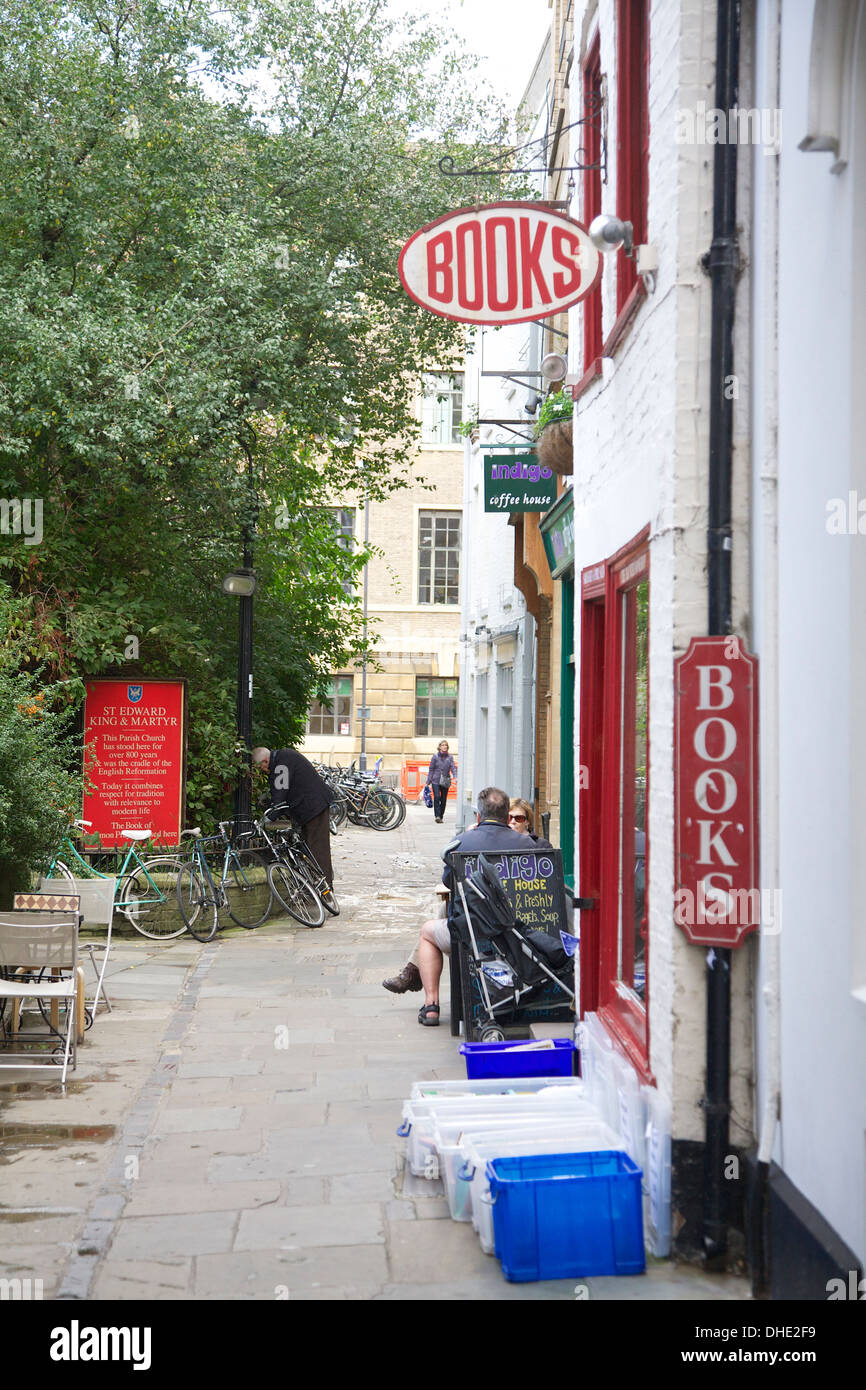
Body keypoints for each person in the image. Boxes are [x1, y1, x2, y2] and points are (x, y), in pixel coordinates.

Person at [382, 786, 543, 1026]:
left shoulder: (462, 842)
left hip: (471, 932)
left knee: (428, 931)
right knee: (442, 916)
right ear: (504, 816)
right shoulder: (528, 845)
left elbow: (448, 882)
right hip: (519, 931)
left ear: (479, 816)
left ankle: (431, 1006)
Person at [251, 746, 334, 889]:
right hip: (310, 806)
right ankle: (316, 888)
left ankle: (325, 890)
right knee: (310, 848)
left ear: (265, 761)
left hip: (314, 807)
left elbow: (280, 795)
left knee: (318, 849)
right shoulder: (282, 759)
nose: (262, 771)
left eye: (261, 767)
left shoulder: (281, 763)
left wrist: (269, 817)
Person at [424, 740, 457, 824]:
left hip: (445, 781)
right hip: (436, 780)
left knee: (443, 799)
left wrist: (455, 776)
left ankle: (441, 816)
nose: (444, 746)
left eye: (446, 745)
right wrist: (428, 781)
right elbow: (431, 769)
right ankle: (437, 816)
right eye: (442, 745)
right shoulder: (435, 757)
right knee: (437, 797)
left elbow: (453, 767)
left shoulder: (450, 757)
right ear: (439, 747)